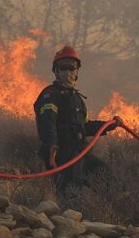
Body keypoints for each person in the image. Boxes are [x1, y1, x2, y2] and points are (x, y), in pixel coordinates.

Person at [33, 45, 123, 195]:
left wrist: (109, 125)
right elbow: (47, 123)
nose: (68, 72)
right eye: (64, 67)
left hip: (80, 152)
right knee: (71, 193)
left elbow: (85, 127)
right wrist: (51, 147)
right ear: (56, 71)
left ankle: (121, 213)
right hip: (62, 154)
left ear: (77, 72)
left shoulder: (77, 99)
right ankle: (66, 217)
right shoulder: (50, 95)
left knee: (105, 176)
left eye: (72, 67)